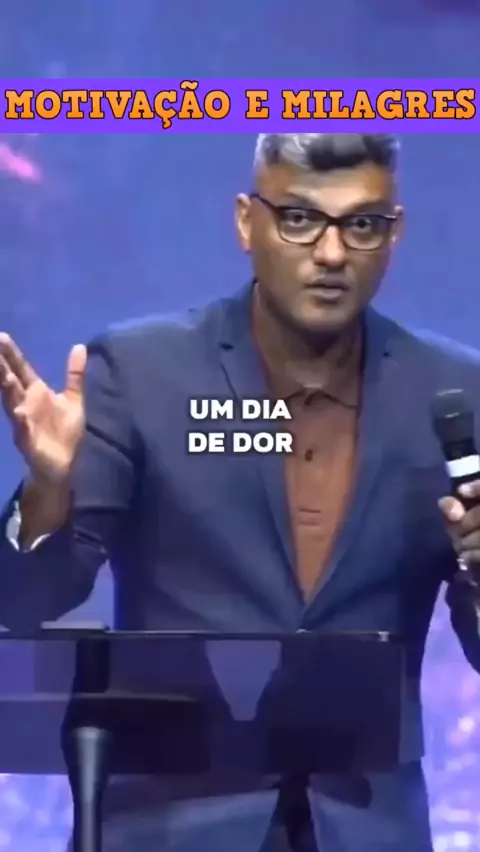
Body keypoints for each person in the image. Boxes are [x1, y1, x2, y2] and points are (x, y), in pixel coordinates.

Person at [0, 132, 480, 852]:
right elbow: (21, 601)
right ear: (246, 222)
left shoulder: (454, 392)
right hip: (169, 829)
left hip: (368, 830)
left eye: (361, 224)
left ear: (394, 233)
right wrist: (48, 491)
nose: (331, 253)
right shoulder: (143, 374)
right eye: (299, 219)